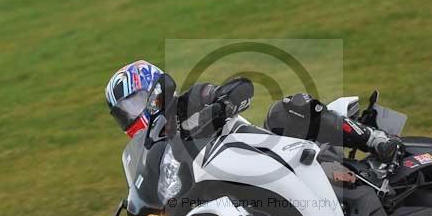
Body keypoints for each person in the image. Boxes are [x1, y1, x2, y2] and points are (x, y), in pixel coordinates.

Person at [105, 60, 400, 163]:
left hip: (267, 152)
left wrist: (223, 103)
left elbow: (240, 87)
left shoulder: (189, 100)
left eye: (134, 103)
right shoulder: (151, 151)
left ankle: (376, 139)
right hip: (227, 183)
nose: (131, 116)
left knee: (285, 110)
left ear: (155, 90)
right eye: (123, 113)